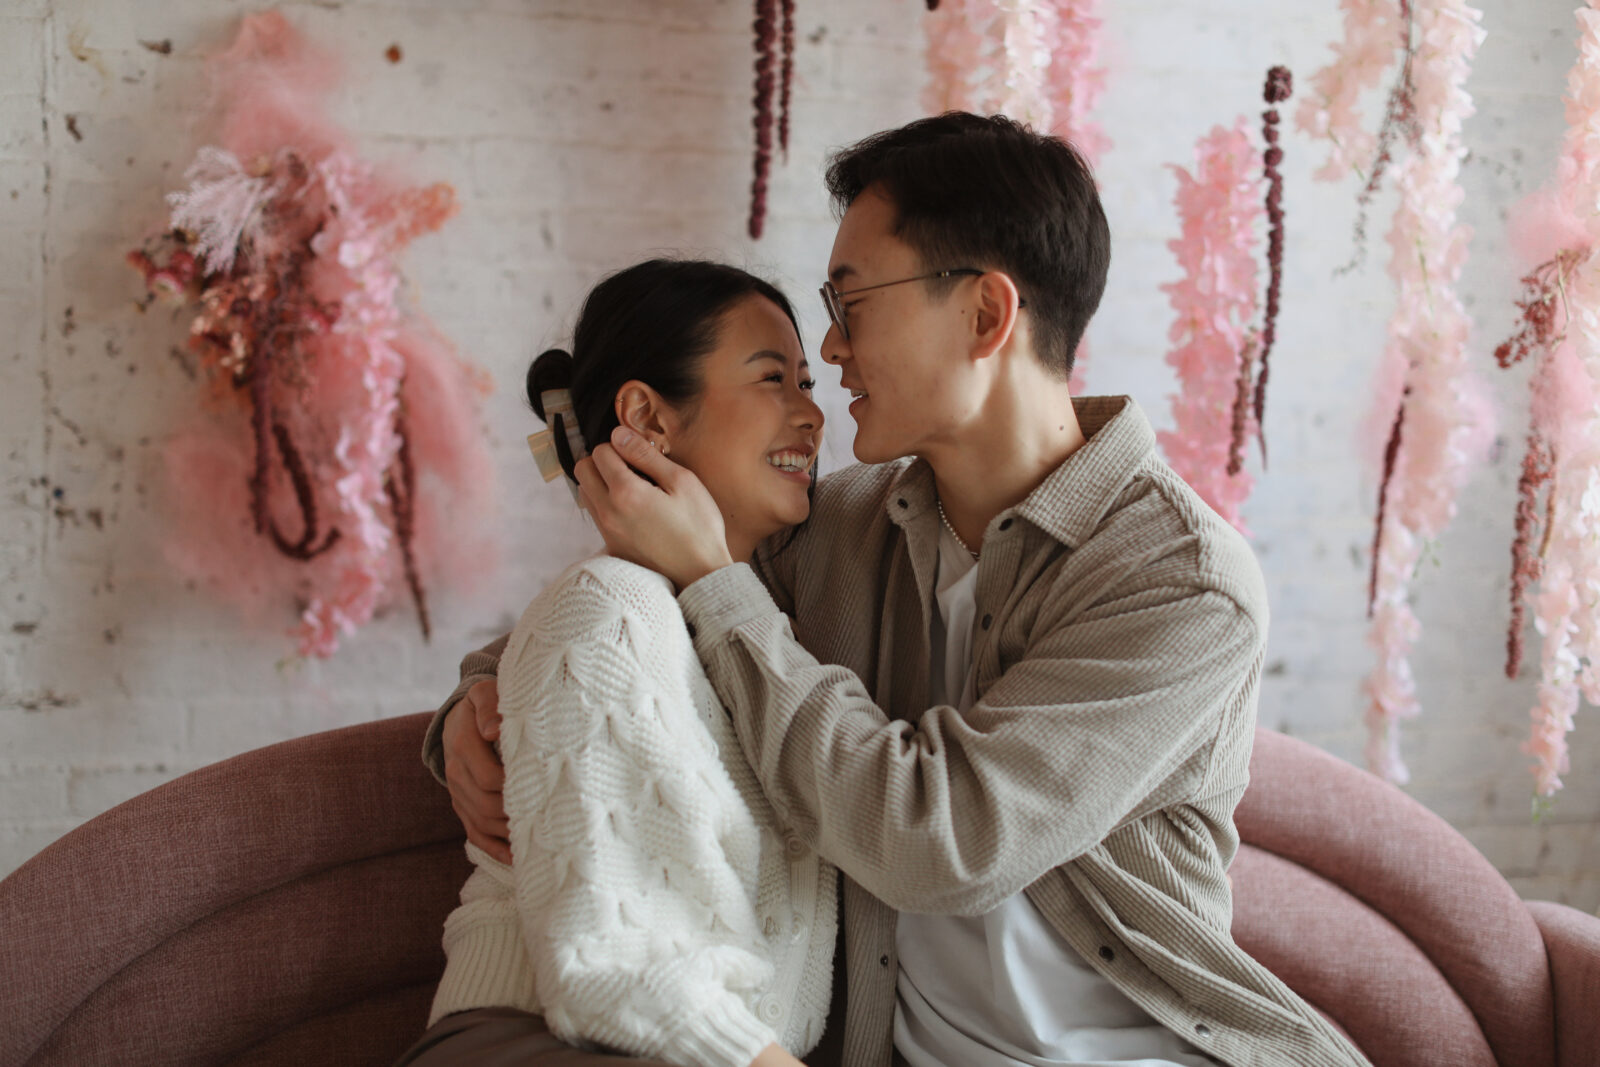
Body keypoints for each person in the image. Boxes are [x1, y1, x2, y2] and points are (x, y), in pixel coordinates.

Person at [430, 114, 1372, 1067]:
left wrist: (718, 579)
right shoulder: (838, 526)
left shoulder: (1181, 582)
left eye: (852, 305)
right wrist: (472, 708)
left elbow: (943, 843)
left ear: (984, 316)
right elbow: (624, 630)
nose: (831, 353)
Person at [397, 260, 838, 1067]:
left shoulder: (761, 615)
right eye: (774, 378)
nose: (813, 413)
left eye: (808, 381)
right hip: (546, 1043)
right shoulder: (609, 611)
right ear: (648, 415)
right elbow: (616, 971)